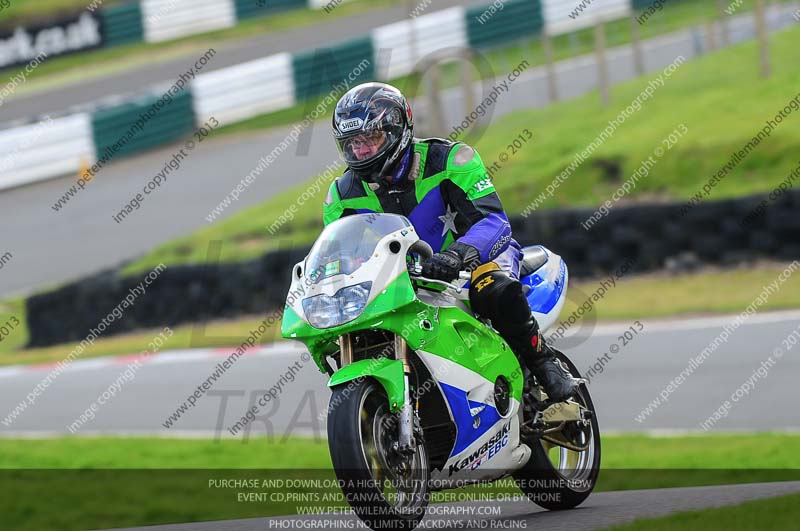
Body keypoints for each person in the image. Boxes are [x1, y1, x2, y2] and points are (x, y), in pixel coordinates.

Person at [323, 82, 578, 402]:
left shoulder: (452, 160)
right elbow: (339, 254)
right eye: (353, 144)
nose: (362, 153)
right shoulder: (340, 195)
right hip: (401, 283)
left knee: (492, 285)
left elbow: (494, 222)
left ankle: (543, 362)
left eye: (371, 140)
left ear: (398, 129)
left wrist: (457, 255)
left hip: (473, 262)